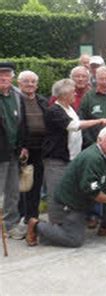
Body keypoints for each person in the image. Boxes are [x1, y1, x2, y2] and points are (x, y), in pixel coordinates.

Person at [26, 127, 106, 247]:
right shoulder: (92, 158)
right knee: (74, 240)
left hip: (85, 200)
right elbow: (90, 191)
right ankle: (37, 225)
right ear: (99, 140)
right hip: (70, 203)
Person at [42, 79, 106, 208]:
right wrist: (99, 121)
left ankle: (66, 221)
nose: (75, 94)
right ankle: (55, 223)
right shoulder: (54, 110)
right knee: (55, 191)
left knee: (68, 191)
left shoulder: (70, 108)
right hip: (56, 159)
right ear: (64, 95)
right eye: (73, 92)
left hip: (71, 158)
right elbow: (73, 126)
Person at [0, 62, 29, 239]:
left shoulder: (17, 96)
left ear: (12, 78)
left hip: (13, 152)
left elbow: (22, 124)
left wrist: (23, 145)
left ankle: (10, 225)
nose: (4, 78)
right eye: (0, 75)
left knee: (12, 190)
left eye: (7, 75)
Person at [17, 71, 48, 226]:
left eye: (33, 82)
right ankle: (22, 216)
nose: (30, 84)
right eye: (26, 81)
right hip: (24, 149)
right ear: (19, 83)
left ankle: (33, 216)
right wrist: (22, 146)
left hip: (40, 148)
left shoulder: (42, 100)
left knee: (36, 183)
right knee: (23, 183)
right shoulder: (15, 100)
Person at [79, 66, 106, 147]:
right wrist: (89, 141)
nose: (104, 82)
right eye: (101, 79)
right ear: (96, 80)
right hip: (94, 144)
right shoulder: (88, 96)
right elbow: (82, 119)